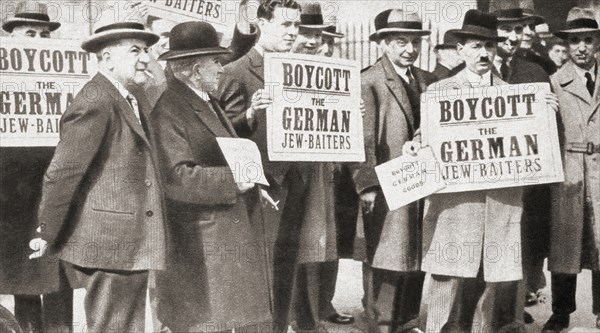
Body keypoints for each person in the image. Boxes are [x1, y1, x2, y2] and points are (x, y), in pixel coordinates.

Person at [414, 9, 557, 333]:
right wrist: (415, 145)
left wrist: (544, 116)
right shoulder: (439, 91)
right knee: (446, 284)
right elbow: (426, 136)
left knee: (489, 286)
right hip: (457, 206)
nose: (483, 53)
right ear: (461, 49)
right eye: (476, 46)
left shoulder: (514, 95)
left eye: (489, 47)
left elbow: (537, 146)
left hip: (498, 206)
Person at [31, 21, 167, 332]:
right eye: (135, 51)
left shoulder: (126, 96)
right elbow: (63, 173)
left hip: (124, 244)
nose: (146, 58)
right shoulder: (96, 100)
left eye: (146, 50)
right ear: (106, 58)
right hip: (109, 245)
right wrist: (46, 231)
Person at [150, 21, 272, 333]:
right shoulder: (169, 109)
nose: (221, 69)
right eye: (215, 62)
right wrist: (235, 180)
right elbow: (177, 177)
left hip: (219, 237)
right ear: (192, 69)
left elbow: (213, 142)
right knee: (206, 322)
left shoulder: (203, 98)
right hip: (202, 245)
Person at [218, 1, 314, 332]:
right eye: (285, 25)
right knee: (259, 269)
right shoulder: (236, 70)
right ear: (261, 23)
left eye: (296, 26)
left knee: (287, 265)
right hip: (261, 188)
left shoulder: (301, 69)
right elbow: (222, 132)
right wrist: (249, 115)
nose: (293, 33)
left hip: (296, 181)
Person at [355, 9, 437, 333]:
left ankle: (407, 319)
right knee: (387, 256)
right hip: (389, 183)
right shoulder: (370, 81)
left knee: (416, 253)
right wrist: (368, 185)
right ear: (385, 44)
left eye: (415, 42)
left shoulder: (426, 80)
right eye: (401, 42)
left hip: (421, 181)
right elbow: (362, 139)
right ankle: (383, 322)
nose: (409, 49)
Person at [0, 2, 73, 332]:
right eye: (29, 33)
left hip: (55, 186)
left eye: (44, 33)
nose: (38, 39)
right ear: (12, 36)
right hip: (12, 194)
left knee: (59, 273)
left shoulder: (67, 76)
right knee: (22, 275)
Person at [493, 6, 554, 321]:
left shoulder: (535, 73)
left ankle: (513, 311)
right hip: (484, 181)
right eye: (506, 30)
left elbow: (551, 132)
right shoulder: (470, 71)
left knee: (521, 244)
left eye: (519, 30)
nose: (513, 37)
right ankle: (489, 310)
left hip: (525, 183)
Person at [542, 7, 600, 333]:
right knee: (565, 245)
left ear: (597, 44)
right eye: (575, 40)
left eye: (587, 40)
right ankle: (561, 313)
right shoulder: (552, 83)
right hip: (568, 171)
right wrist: (542, 109)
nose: (581, 47)